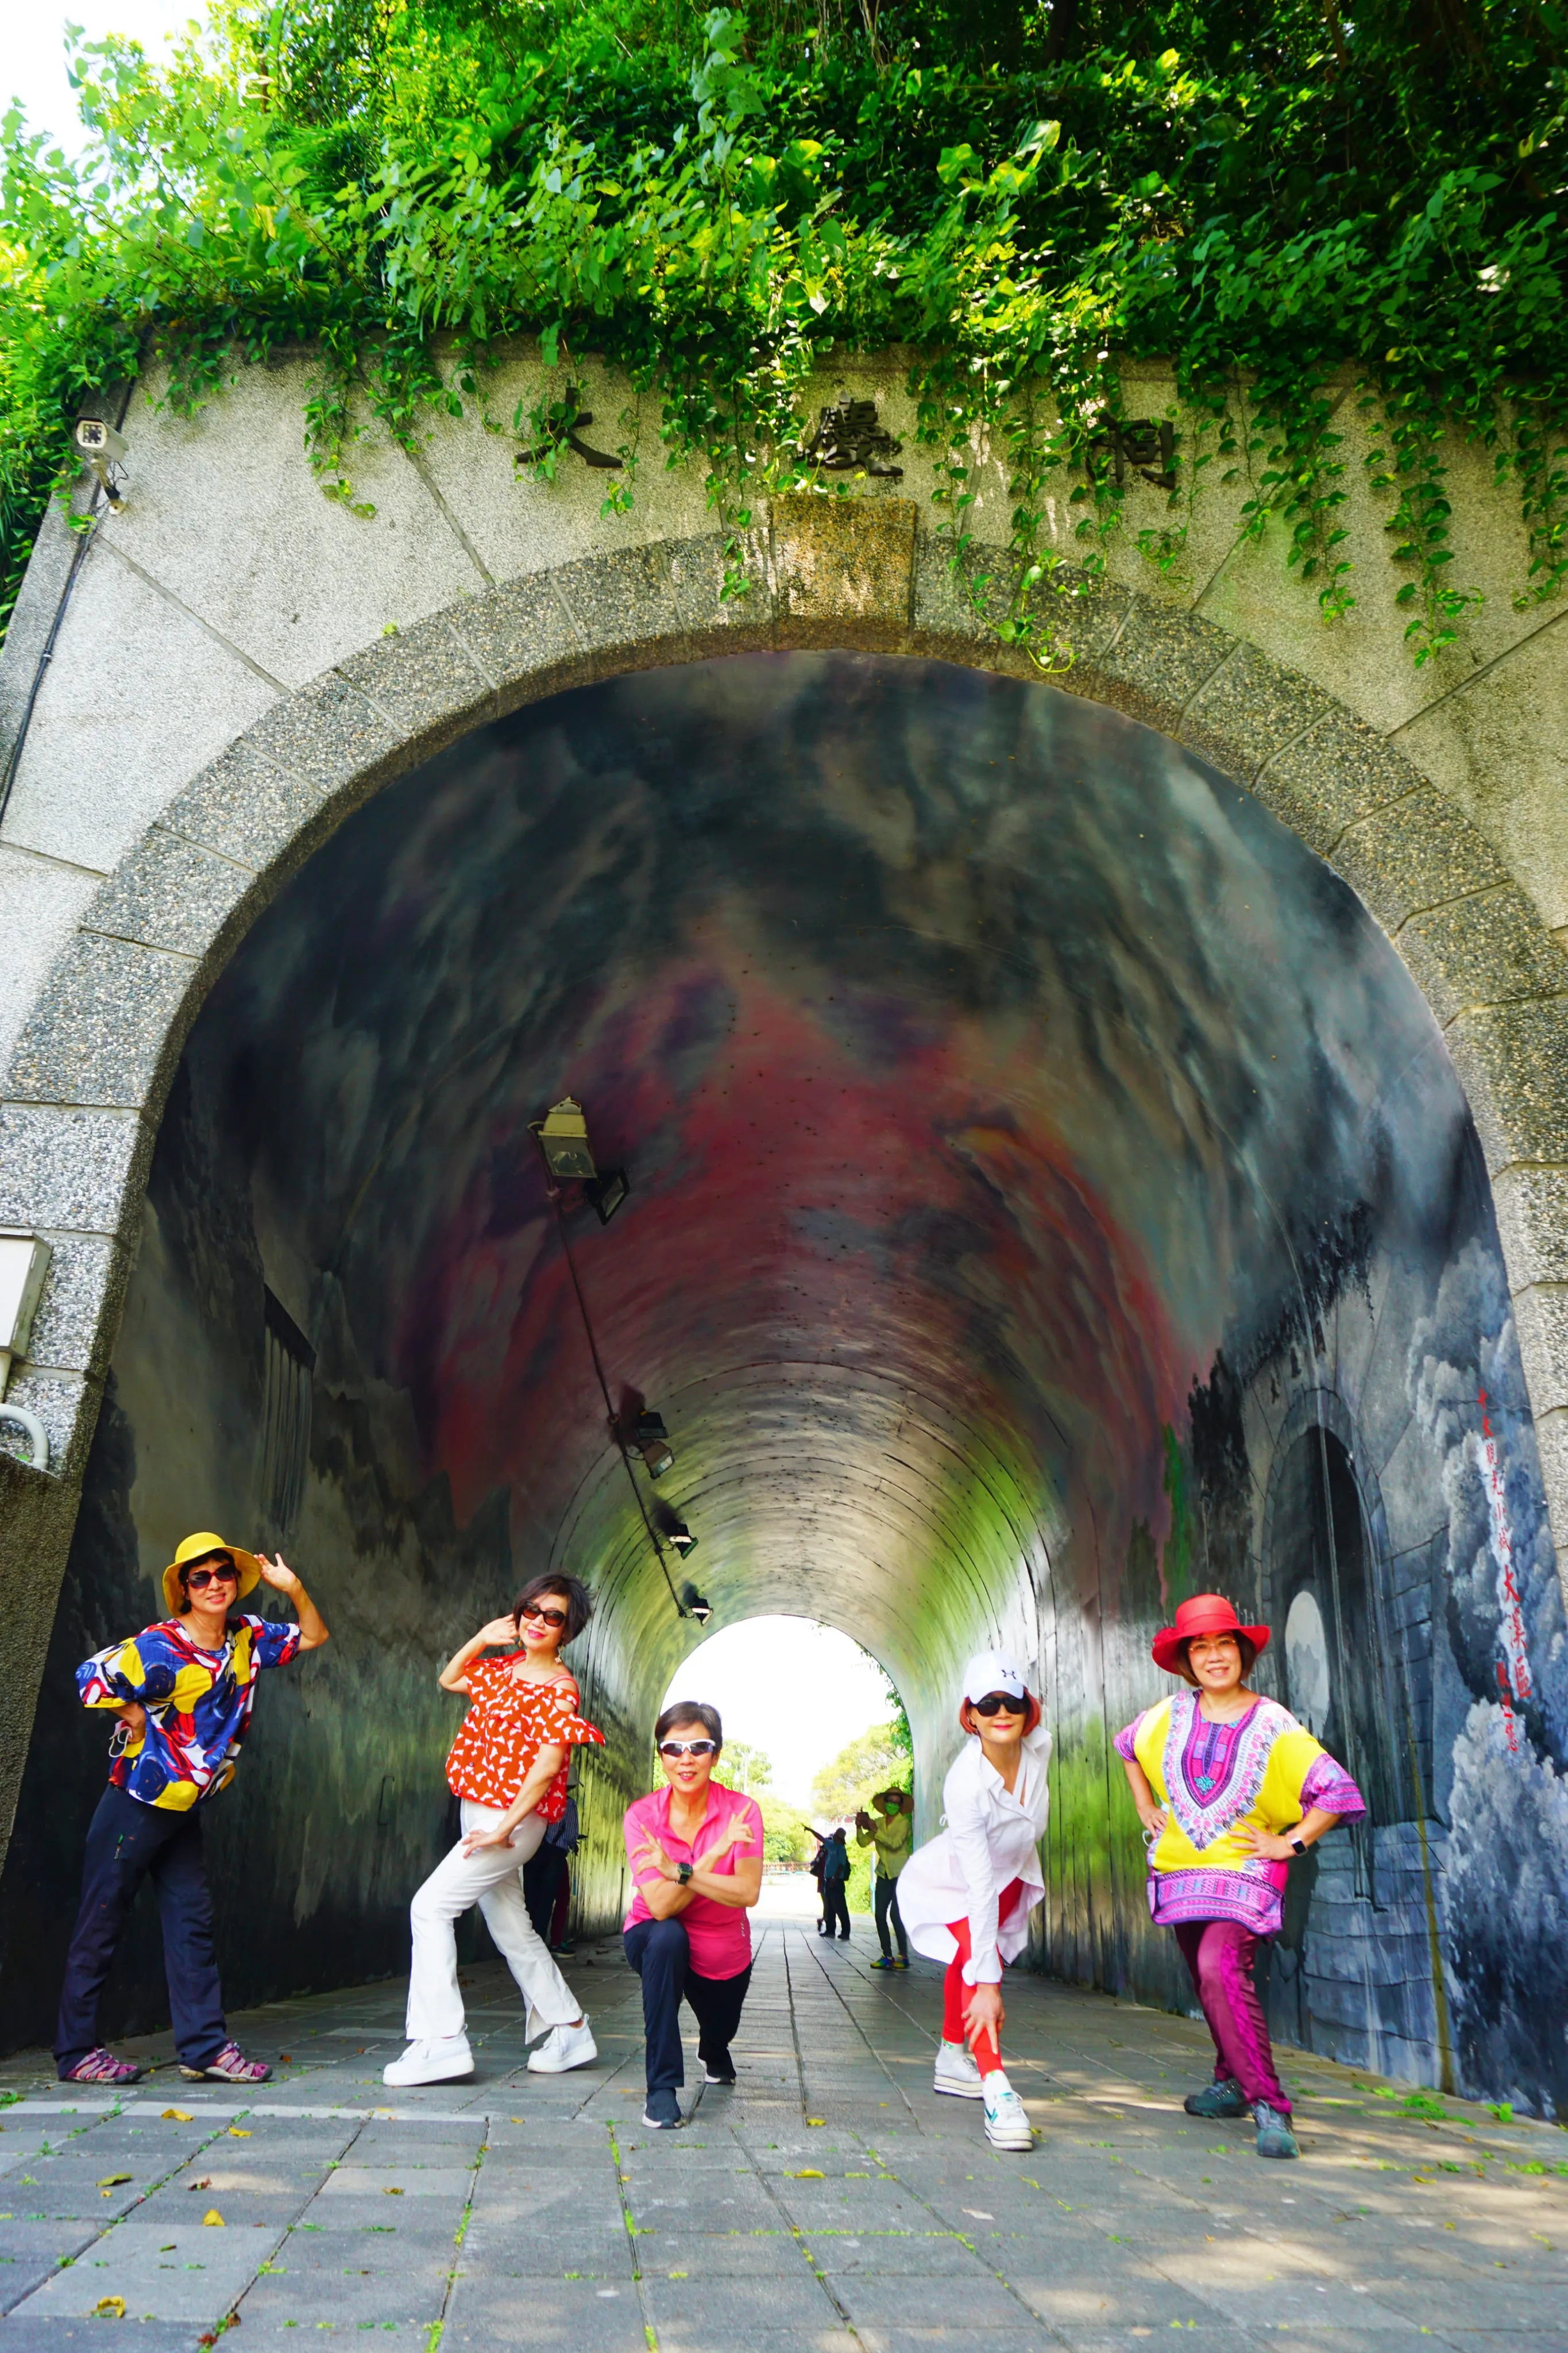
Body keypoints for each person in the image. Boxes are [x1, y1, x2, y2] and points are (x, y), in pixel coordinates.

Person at [57, 1532, 330, 2086]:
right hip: (134, 1807)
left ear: (235, 1581)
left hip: (183, 1808)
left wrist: (294, 1587)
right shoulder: (161, 1647)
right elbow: (89, 1677)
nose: (213, 1585)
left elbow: (313, 1637)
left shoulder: (246, 1638)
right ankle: (76, 2053)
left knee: (192, 1926)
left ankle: (203, 2048)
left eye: (222, 1574)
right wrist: (132, 1709)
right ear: (184, 1589)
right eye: (199, 1577)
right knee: (101, 1923)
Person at [1114, 1592, 1365, 2162]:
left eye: (1224, 1643)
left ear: (1242, 1652)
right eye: (1200, 1647)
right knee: (1210, 1983)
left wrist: (1290, 1841)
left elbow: (1335, 1790)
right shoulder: (1170, 1714)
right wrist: (1143, 1804)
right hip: (1182, 1872)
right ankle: (1229, 2082)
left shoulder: (1273, 1721)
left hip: (1248, 1873)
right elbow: (1126, 1745)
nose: (1214, 1656)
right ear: (1188, 1660)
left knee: (1218, 1966)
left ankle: (1269, 2104)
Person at [384, 1573, 604, 2088]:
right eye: (532, 1610)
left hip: (509, 1820)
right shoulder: (503, 1668)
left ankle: (441, 2041)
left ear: (566, 1632)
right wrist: (484, 1638)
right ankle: (570, 2028)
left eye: (553, 1617)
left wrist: (503, 1829)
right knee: (511, 1927)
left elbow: (548, 1766)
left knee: (430, 1907)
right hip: (478, 1811)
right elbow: (451, 1679)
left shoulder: (560, 1687)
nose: (538, 1622)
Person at [898, 1651, 1051, 2153]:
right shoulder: (965, 1785)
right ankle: (996, 2087)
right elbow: (978, 1885)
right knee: (979, 1968)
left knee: (968, 1958)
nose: (1001, 1712)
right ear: (971, 1716)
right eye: (988, 1704)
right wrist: (989, 1985)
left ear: (1031, 1709)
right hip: (957, 1880)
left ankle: (949, 2056)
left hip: (1011, 1876)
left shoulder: (1040, 1748)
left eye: (1013, 1702)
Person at [622, 1702, 763, 2130]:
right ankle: (661, 2090)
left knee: (722, 2025)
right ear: (661, 1756)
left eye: (699, 1747)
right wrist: (715, 1854)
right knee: (668, 1937)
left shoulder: (743, 1811)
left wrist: (681, 1871)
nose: (686, 1758)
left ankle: (714, 2047)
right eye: (673, 1747)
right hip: (653, 1934)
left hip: (723, 1950)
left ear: (716, 1755)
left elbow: (747, 1892)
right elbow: (661, 1905)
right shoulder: (642, 1816)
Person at [856, 1787, 913, 1968]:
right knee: (880, 1914)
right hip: (884, 1873)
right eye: (890, 1802)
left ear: (901, 1806)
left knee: (895, 1915)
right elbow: (863, 1842)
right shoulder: (879, 1822)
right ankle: (887, 1955)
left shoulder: (904, 1823)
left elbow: (895, 1844)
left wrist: (875, 1829)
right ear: (885, 1803)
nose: (893, 1805)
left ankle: (903, 1956)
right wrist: (859, 1827)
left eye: (897, 1803)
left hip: (901, 1874)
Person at [816, 1826, 852, 1938]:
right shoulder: (831, 1845)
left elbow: (842, 1865)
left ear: (840, 1838)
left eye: (836, 1836)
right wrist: (810, 1830)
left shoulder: (841, 1849)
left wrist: (835, 1879)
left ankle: (846, 1932)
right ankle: (830, 1930)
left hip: (836, 1882)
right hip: (828, 1880)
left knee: (840, 1907)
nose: (834, 1837)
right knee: (829, 1907)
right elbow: (821, 1838)